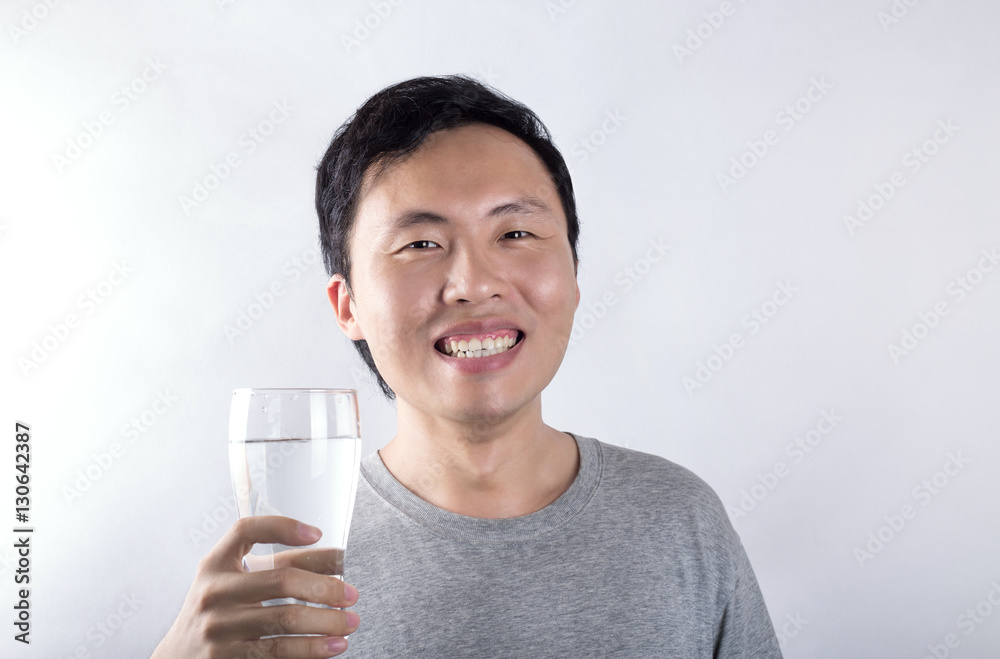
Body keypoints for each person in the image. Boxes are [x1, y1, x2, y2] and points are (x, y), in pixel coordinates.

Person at [154, 75, 782, 658]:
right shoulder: (292, 574)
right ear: (348, 306)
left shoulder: (679, 519)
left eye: (515, 234)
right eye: (420, 244)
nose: (474, 284)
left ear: (573, 273)